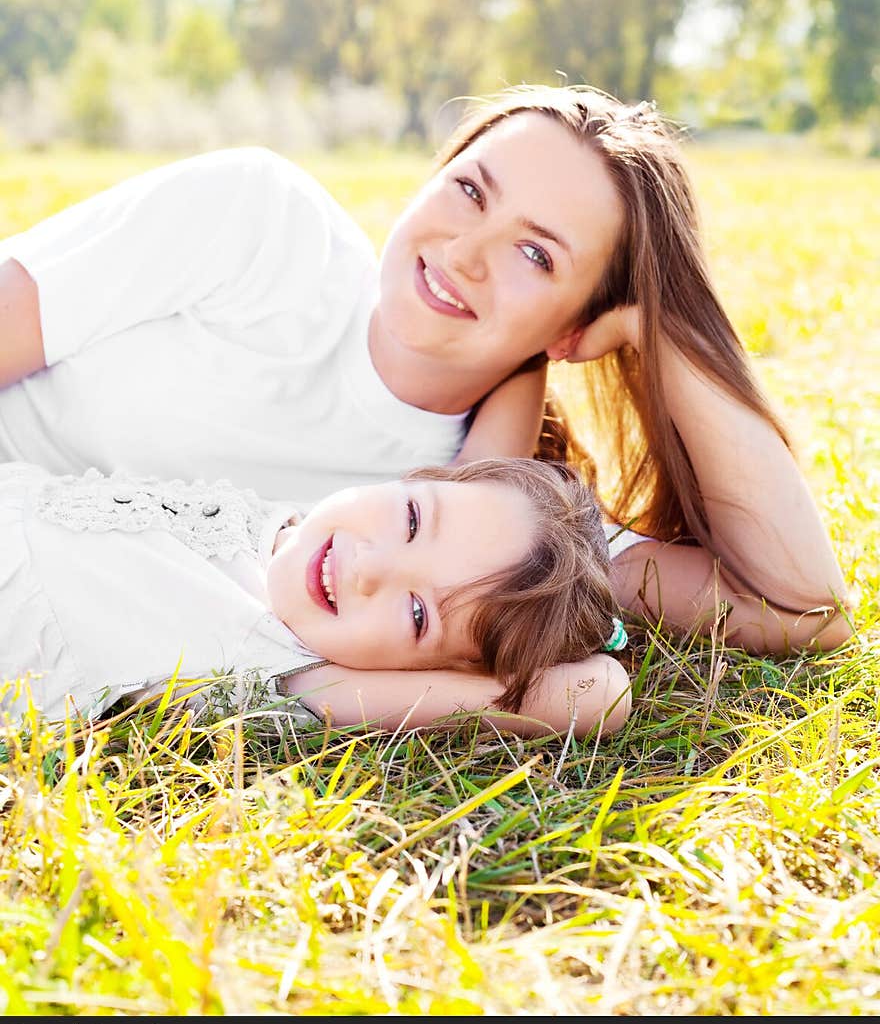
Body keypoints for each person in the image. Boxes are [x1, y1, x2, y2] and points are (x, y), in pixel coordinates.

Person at [0, 84, 851, 663]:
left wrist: (664, 333)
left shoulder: (491, 531)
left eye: (534, 252)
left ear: (578, 328)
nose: (465, 253)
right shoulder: (260, 226)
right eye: (472, 190)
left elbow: (801, 610)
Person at [0, 457, 633, 740]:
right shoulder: (283, 523)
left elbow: (599, 696)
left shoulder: (288, 671)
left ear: (429, 673)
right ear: (413, 479)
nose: (369, 566)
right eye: (412, 519)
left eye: (417, 614)